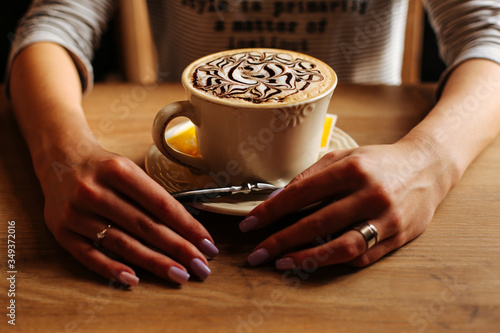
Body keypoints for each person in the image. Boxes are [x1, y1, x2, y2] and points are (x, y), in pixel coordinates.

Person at [6, 0, 500, 287]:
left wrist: (432, 158)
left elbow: (489, 32)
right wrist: (61, 155)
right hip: (192, 220)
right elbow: (54, 24)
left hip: (372, 185)